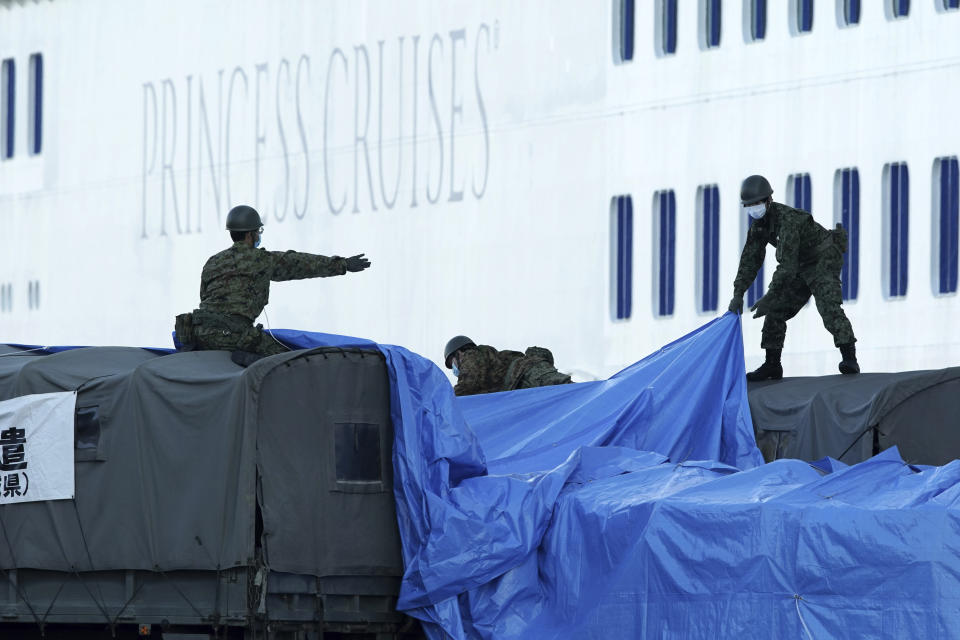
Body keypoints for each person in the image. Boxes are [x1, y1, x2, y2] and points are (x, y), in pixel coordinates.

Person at [177, 205, 370, 360]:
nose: (258, 236)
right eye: (258, 231)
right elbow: (301, 264)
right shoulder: (260, 259)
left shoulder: (213, 261)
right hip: (232, 336)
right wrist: (342, 264)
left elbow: (204, 297)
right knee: (291, 363)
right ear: (249, 234)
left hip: (199, 332)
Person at [728, 175, 859, 381]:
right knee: (776, 309)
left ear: (768, 200)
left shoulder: (788, 220)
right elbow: (749, 260)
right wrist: (738, 294)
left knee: (828, 306)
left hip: (822, 258)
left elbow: (786, 266)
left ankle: (849, 357)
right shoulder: (759, 226)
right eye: (749, 206)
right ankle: (772, 364)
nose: (754, 209)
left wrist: (768, 296)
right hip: (799, 262)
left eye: (757, 203)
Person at [443, 335, 573, 396]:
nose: (455, 369)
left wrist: (448, 402)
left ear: (459, 353)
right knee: (565, 399)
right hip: (522, 383)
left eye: (452, 363)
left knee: (571, 392)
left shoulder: (471, 355)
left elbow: (468, 384)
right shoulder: (482, 364)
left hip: (528, 374)